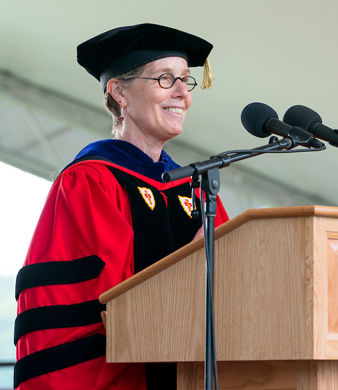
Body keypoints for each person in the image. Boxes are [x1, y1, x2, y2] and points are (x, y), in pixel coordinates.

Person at [14, 24, 229, 390]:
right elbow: (95, 299)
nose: (183, 94)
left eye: (185, 81)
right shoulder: (90, 182)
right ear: (119, 92)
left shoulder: (195, 187)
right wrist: (192, 265)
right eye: (165, 79)